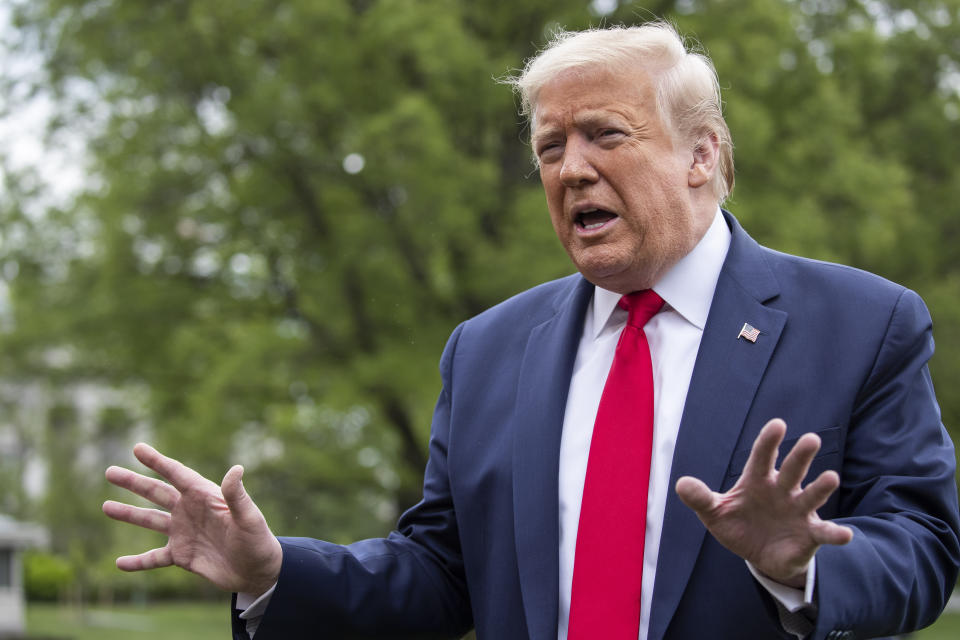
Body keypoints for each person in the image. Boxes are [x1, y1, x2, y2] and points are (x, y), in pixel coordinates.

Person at [103, 22, 960, 640]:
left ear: (702, 155)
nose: (572, 167)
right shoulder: (487, 350)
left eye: (605, 135)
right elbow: (441, 577)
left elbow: (923, 550)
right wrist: (275, 572)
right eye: (550, 147)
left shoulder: (862, 324)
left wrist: (799, 564)